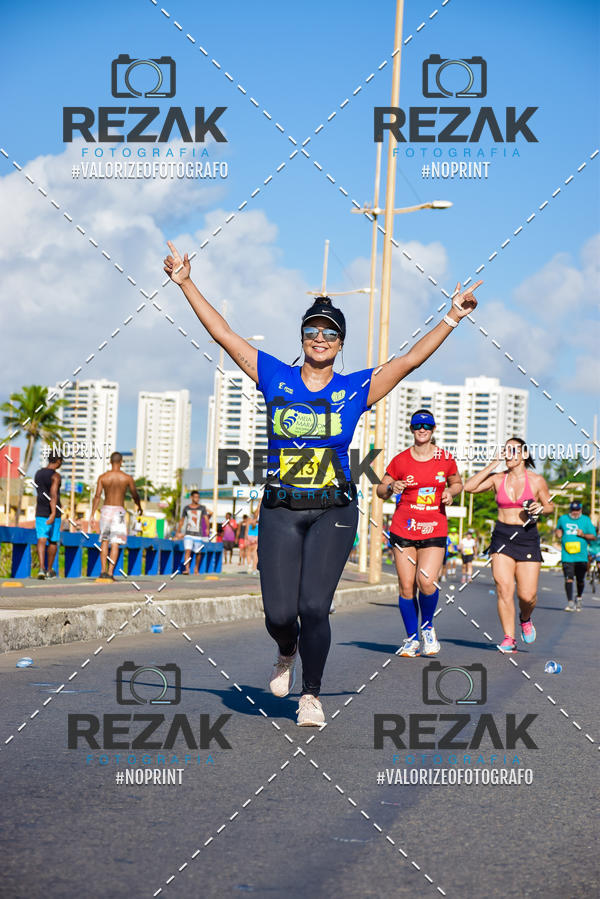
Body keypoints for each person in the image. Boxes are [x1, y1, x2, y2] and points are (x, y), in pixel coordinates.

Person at [163, 238, 481, 726]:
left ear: (340, 344)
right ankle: (285, 651)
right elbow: (224, 335)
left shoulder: (354, 387)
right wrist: (186, 282)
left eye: (330, 333)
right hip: (281, 508)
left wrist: (452, 316)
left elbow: (409, 360)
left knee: (315, 606)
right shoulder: (274, 377)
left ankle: (310, 695)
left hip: (333, 508)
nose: (320, 337)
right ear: (303, 337)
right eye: (312, 329)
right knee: (277, 615)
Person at [377, 411, 463, 657]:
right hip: (404, 527)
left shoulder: (445, 458)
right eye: (417, 425)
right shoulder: (400, 460)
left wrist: (451, 492)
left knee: (425, 581)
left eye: (426, 425)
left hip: (433, 527)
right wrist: (392, 486)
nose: (422, 429)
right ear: (411, 428)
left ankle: (427, 628)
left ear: (434, 428)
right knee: (406, 586)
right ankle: (412, 639)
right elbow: (380, 490)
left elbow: (458, 482)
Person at [464, 439, 553, 653]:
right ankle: (509, 638)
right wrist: (492, 465)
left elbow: (549, 506)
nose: (508, 453)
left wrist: (540, 508)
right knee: (504, 588)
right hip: (502, 537)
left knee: (527, 596)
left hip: (527, 537)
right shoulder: (497, 479)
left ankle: (525, 617)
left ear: (523, 455)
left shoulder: (536, 480)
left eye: (513, 450)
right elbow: (469, 487)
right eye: (506, 450)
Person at [90, 452, 143, 580]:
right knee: (115, 543)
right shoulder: (127, 478)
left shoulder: (103, 477)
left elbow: (97, 496)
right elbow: (135, 494)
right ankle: (110, 573)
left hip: (106, 510)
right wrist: (139, 506)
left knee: (104, 541)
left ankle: (102, 571)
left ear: (110, 462)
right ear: (121, 462)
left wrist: (92, 514)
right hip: (119, 512)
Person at [556, 501, 597, 611]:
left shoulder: (586, 520)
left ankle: (579, 597)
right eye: (572, 510)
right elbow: (558, 529)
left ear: (581, 510)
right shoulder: (563, 519)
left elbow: (593, 536)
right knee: (568, 579)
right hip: (567, 556)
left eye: (577, 510)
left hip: (581, 557)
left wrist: (583, 534)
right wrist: (558, 532)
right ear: (570, 510)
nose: (574, 513)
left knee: (580, 580)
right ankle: (570, 602)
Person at [33, 452, 63, 579]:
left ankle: (41, 569)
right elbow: (53, 494)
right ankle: (49, 570)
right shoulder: (56, 476)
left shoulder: (38, 473)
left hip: (40, 510)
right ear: (58, 461)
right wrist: (53, 513)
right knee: (53, 540)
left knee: (41, 538)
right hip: (53, 512)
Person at [175, 490, 207, 575]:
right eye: (195, 497)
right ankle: (187, 569)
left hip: (198, 534)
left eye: (198, 497)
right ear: (191, 497)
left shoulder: (202, 508)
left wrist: (207, 529)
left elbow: (206, 519)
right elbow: (182, 521)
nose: (197, 499)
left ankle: (196, 568)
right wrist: (178, 532)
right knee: (187, 551)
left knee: (198, 552)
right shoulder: (186, 508)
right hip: (188, 533)